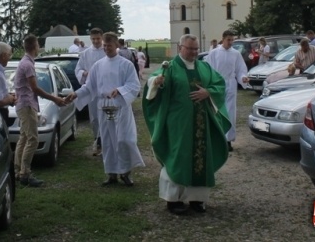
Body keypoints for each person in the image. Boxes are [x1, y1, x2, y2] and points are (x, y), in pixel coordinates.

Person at [142, 34, 230, 216]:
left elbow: (219, 84)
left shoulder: (204, 67)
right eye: (190, 49)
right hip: (178, 125)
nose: (194, 52)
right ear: (180, 48)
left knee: (201, 159)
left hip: (202, 123)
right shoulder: (171, 67)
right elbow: (154, 79)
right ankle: (173, 200)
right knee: (177, 158)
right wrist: (155, 82)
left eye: (196, 49)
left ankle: (197, 199)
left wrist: (208, 92)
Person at [67, 32, 144, 186]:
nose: (107, 48)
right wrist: (75, 94)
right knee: (107, 141)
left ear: (116, 45)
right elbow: (89, 86)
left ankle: (125, 172)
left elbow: (134, 85)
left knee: (123, 139)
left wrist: (120, 90)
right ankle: (111, 173)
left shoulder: (126, 64)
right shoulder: (98, 65)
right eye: (105, 45)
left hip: (120, 107)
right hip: (104, 107)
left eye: (109, 45)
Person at [13, 34, 67, 187]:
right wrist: (54, 98)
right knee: (33, 139)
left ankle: (18, 170)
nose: (39, 47)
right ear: (34, 47)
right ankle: (25, 173)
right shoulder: (28, 65)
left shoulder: (25, 62)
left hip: (23, 104)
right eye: (38, 45)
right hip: (27, 105)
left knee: (24, 137)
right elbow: (35, 88)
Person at [204, 30, 249, 151]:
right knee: (217, 111)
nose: (230, 42)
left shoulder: (236, 54)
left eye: (232, 40)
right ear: (223, 39)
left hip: (230, 85)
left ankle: (228, 140)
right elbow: (208, 69)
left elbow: (240, 69)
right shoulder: (214, 53)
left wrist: (243, 78)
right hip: (217, 85)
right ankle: (217, 138)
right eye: (228, 40)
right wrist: (209, 83)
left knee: (230, 112)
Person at [75, 27, 106, 155]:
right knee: (94, 118)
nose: (96, 41)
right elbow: (78, 69)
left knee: (106, 116)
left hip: (106, 89)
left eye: (98, 38)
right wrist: (84, 73)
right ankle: (97, 140)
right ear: (90, 39)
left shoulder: (107, 51)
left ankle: (105, 141)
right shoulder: (86, 53)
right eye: (93, 39)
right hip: (92, 90)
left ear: (102, 37)